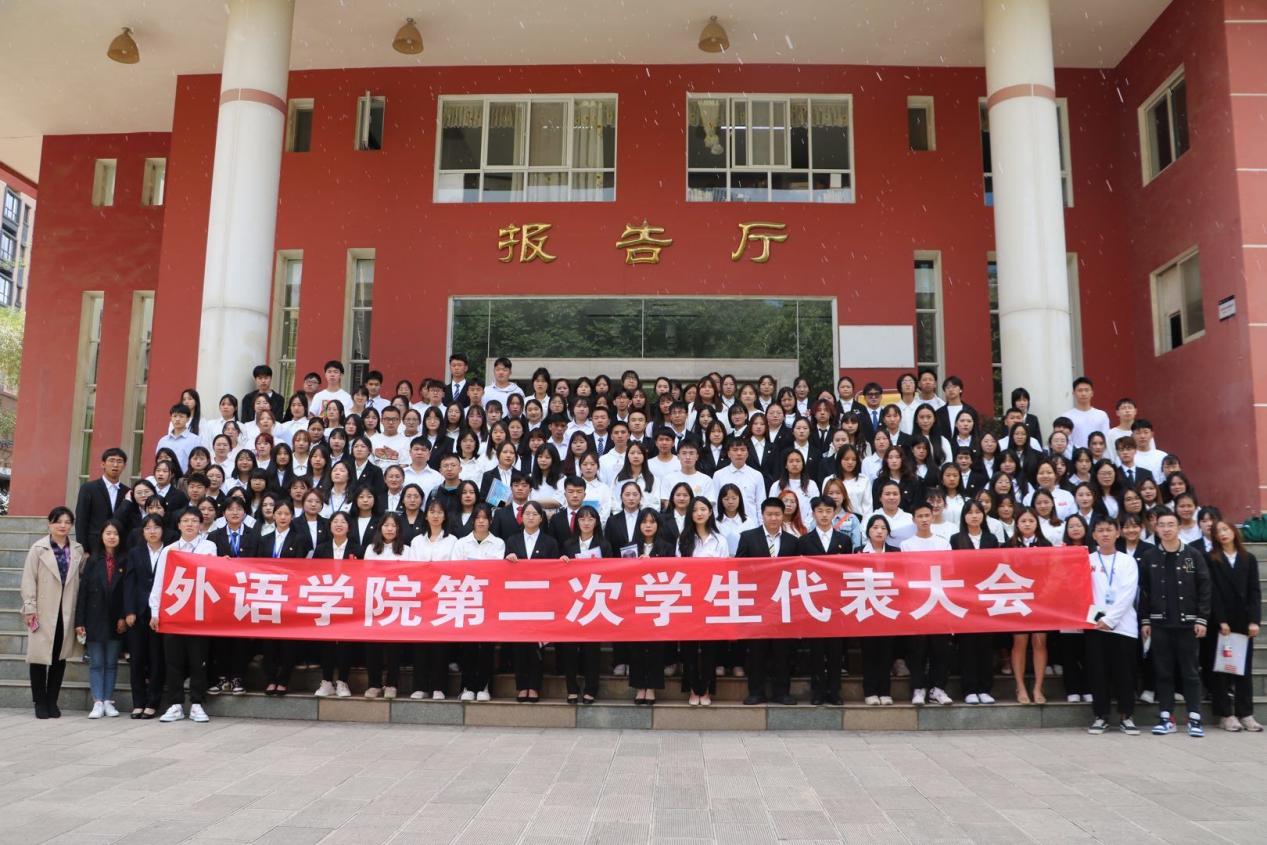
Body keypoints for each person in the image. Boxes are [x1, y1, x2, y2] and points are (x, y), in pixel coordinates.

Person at [1139, 508, 1210, 737]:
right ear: (1155, 528)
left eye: (1171, 525)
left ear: (1179, 527)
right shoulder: (1150, 557)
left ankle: (1194, 718)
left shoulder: (1191, 556)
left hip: (1187, 624)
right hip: (1160, 624)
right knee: (1163, 672)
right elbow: (1144, 592)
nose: (1166, 529)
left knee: (1190, 672)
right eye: (1162, 525)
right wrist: (1145, 620)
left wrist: (1202, 618)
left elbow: (1204, 587)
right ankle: (1166, 717)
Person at [149, 507, 218, 723]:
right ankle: (175, 704)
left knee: (199, 660)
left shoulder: (209, 547)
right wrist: (155, 611)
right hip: (173, 613)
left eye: (194, 521)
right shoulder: (169, 550)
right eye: (185, 521)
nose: (189, 524)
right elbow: (159, 582)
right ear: (178, 525)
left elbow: (213, 574)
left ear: (200, 525)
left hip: (198, 613)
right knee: (173, 661)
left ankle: (197, 703)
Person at [22, 507, 87, 719]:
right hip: (43, 609)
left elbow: (81, 579)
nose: (63, 526)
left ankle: (52, 700)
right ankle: (40, 701)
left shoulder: (77, 549)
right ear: (50, 524)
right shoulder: (38, 548)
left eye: (67, 522)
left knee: (60, 657)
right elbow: (29, 579)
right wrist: (29, 607)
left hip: (67, 610)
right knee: (39, 657)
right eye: (58, 521)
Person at [738, 498, 799, 706]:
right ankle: (756, 692)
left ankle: (782, 693)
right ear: (762, 515)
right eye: (769, 514)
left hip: (783, 604)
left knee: (782, 651)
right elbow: (739, 568)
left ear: (783, 516)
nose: (773, 518)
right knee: (757, 650)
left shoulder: (792, 541)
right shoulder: (748, 537)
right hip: (757, 603)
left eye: (777, 514)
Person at [1084, 518, 1141, 735]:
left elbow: (1128, 594)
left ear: (1118, 533)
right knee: (1098, 673)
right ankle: (1101, 716)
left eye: (1109, 530)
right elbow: (1083, 592)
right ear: (1094, 535)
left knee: (1125, 673)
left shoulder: (1128, 561)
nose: (1105, 534)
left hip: (1123, 626)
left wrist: (1110, 619)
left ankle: (1127, 716)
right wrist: (1099, 620)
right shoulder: (1086, 560)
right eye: (1100, 530)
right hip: (1095, 625)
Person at [1207, 519, 1262, 732]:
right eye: (1218, 531)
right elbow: (1212, 592)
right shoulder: (1211, 558)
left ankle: (1246, 713)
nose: (1222, 533)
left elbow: (1254, 591)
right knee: (1222, 669)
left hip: (1243, 621)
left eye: (1226, 529)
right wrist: (1220, 620)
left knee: (1243, 670)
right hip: (1221, 622)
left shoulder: (1249, 558)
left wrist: (1254, 620)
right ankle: (1226, 714)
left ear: (1233, 531)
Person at [797, 496, 851, 705]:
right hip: (814, 600)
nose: (824, 515)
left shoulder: (844, 540)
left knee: (836, 650)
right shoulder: (804, 541)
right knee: (817, 650)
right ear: (813, 514)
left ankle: (835, 691)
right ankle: (818, 691)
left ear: (834, 513)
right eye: (820, 511)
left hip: (837, 601)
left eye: (828, 511)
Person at [504, 501, 559, 703]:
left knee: (537, 646)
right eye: (527, 513)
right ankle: (522, 686)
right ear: (521, 517)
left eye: (535, 514)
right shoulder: (512, 540)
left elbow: (555, 571)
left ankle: (534, 686)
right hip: (518, 600)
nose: (530, 517)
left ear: (541, 518)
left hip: (540, 601)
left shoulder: (550, 542)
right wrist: (508, 558)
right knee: (520, 645)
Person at [900, 502, 954, 705]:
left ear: (932, 517)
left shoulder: (943, 543)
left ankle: (938, 688)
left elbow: (949, 571)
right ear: (913, 519)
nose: (924, 519)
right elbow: (905, 574)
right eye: (920, 516)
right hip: (917, 603)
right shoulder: (906, 545)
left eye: (927, 515)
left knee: (940, 648)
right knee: (917, 649)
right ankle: (918, 688)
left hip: (939, 601)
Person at [75, 521, 129, 719]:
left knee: (111, 662)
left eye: (115, 533)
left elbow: (127, 591)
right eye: (108, 533)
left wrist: (123, 616)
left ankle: (108, 700)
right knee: (96, 662)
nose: (112, 537)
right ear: (102, 536)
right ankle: (97, 701)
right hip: (94, 618)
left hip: (116, 618)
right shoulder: (92, 560)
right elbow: (82, 593)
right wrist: (79, 622)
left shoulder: (125, 560)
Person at [678, 497, 729, 706]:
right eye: (695, 510)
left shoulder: (720, 540)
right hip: (689, 599)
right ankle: (692, 688)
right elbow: (678, 570)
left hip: (712, 600)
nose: (699, 513)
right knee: (689, 648)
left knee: (710, 648)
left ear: (710, 512)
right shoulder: (683, 539)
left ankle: (706, 688)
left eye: (703, 509)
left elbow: (725, 570)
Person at [452, 505, 504, 701]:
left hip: (489, 600)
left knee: (487, 646)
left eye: (485, 518)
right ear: (472, 520)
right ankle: (467, 686)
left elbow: (496, 570)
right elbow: (455, 570)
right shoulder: (461, 543)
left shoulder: (498, 543)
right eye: (477, 518)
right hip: (466, 599)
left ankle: (484, 686)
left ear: (490, 521)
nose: (481, 521)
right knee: (468, 646)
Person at [559, 505, 610, 704]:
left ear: (596, 522)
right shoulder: (568, 544)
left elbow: (612, 572)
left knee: (592, 649)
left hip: (596, 600)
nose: (586, 523)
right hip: (573, 601)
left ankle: (591, 689)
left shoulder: (604, 545)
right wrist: (562, 561)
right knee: (569, 648)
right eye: (582, 519)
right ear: (577, 522)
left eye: (590, 519)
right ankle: (571, 689)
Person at [950, 501, 999, 704]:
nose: (974, 516)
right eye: (970, 513)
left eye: (978, 512)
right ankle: (969, 689)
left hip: (987, 597)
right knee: (968, 645)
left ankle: (985, 688)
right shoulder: (956, 539)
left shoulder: (991, 538)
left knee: (986, 645)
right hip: (965, 598)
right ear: (964, 517)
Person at [362, 513, 413, 699]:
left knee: (394, 646)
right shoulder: (370, 549)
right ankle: (374, 684)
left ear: (399, 529)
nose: (390, 529)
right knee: (372, 646)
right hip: (374, 602)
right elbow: (365, 574)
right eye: (386, 525)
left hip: (397, 603)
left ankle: (392, 684)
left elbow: (412, 575)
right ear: (380, 528)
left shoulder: (407, 550)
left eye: (393, 526)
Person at [856, 514, 900, 705]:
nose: (879, 531)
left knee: (886, 652)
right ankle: (870, 692)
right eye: (875, 527)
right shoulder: (858, 552)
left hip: (888, 607)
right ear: (868, 531)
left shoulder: (896, 552)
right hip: (866, 607)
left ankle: (885, 691)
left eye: (883, 528)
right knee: (869, 652)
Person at [313, 511, 356, 698]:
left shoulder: (357, 549)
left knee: (345, 642)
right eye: (335, 521)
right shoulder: (321, 549)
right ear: (329, 525)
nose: (339, 524)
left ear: (349, 526)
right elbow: (312, 574)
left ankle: (343, 682)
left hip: (348, 601)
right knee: (327, 642)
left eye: (343, 522)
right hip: (326, 601)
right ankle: (326, 681)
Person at [75, 447, 130, 553]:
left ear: (124, 466)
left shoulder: (127, 492)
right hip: (94, 546)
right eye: (111, 460)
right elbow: (81, 520)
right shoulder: (88, 488)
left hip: (119, 548)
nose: (115, 465)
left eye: (119, 461)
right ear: (103, 464)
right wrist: (84, 549)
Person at [1063, 377, 1111, 449]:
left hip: (1097, 454)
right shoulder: (1067, 416)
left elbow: (1106, 438)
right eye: (1080, 390)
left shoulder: (1101, 415)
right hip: (1075, 454)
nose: (1083, 393)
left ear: (1092, 393)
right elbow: (1066, 440)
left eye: (1086, 390)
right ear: (1073, 393)